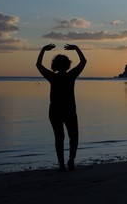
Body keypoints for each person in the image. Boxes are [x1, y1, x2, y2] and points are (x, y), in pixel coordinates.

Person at [36, 43, 87, 171]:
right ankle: (71, 160)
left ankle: (61, 164)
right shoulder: (71, 75)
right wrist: (76, 48)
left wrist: (43, 49)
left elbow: (38, 65)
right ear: (67, 64)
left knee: (59, 138)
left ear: (54, 65)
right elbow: (83, 61)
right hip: (69, 110)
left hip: (55, 111)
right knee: (73, 136)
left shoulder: (53, 76)